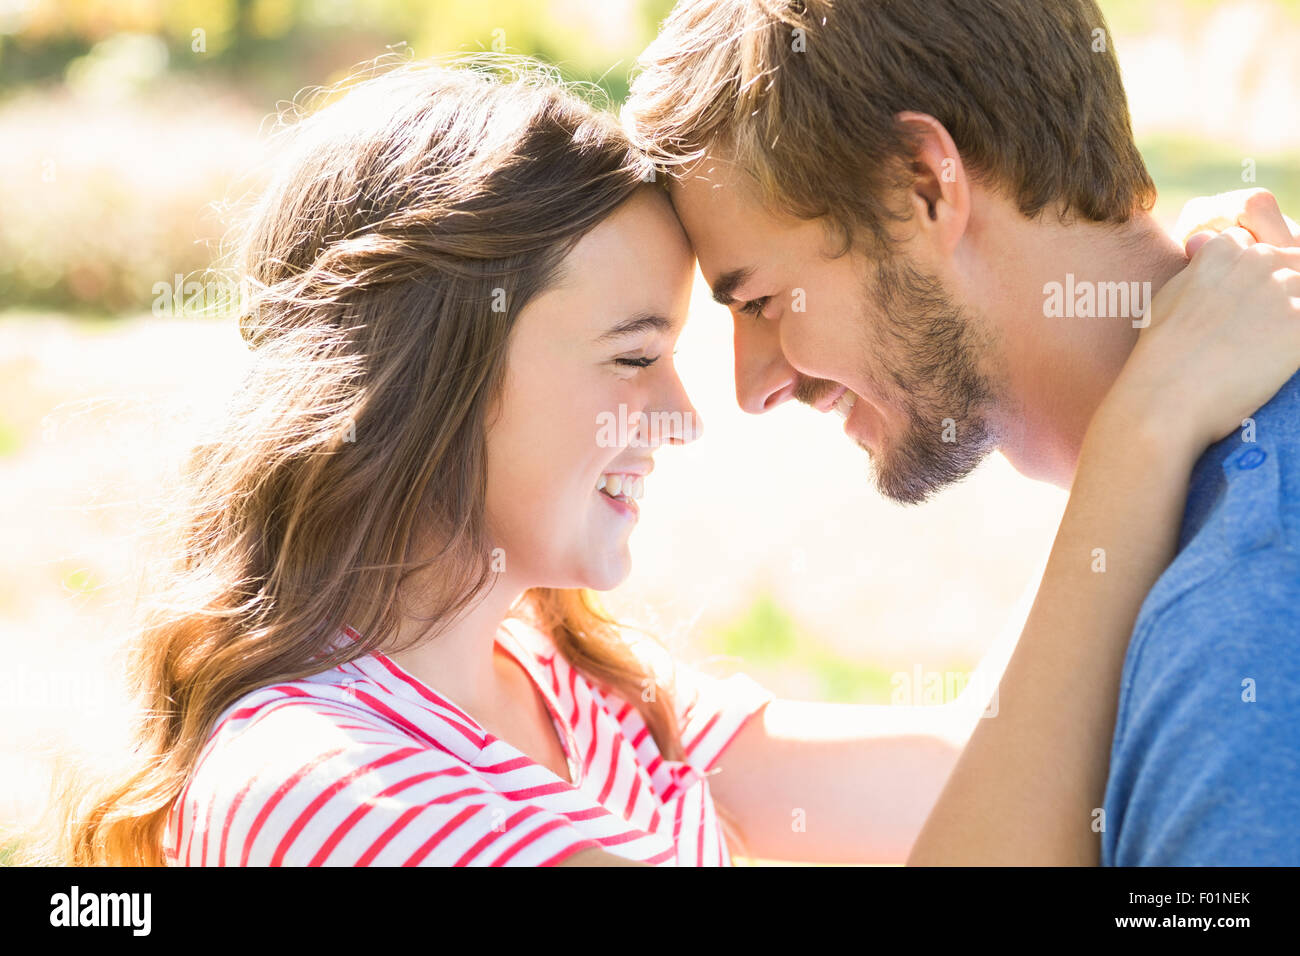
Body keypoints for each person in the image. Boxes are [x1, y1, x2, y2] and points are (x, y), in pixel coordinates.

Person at [48, 56, 1299, 867]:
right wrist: (1140, 436)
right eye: (632, 353)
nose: (691, 413)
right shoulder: (323, 792)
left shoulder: (565, 686)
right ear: (435, 372)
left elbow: (986, 781)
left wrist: (1143, 398)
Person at [624, 0, 1300, 863]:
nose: (753, 389)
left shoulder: (1244, 606)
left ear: (923, 185)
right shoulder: (1166, 508)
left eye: (759, 301)